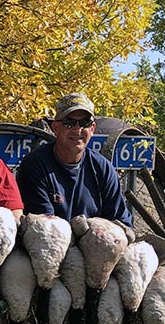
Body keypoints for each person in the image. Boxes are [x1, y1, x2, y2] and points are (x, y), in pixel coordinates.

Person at [16, 92, 133, 226]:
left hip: (96, 243)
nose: (77, 129)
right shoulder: (35, 166)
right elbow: (44, 228)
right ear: (55, 128)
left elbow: (121, 222)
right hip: (50, 242)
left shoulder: (103, 168)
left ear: (92, 128)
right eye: (69, 122)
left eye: (85, 122)